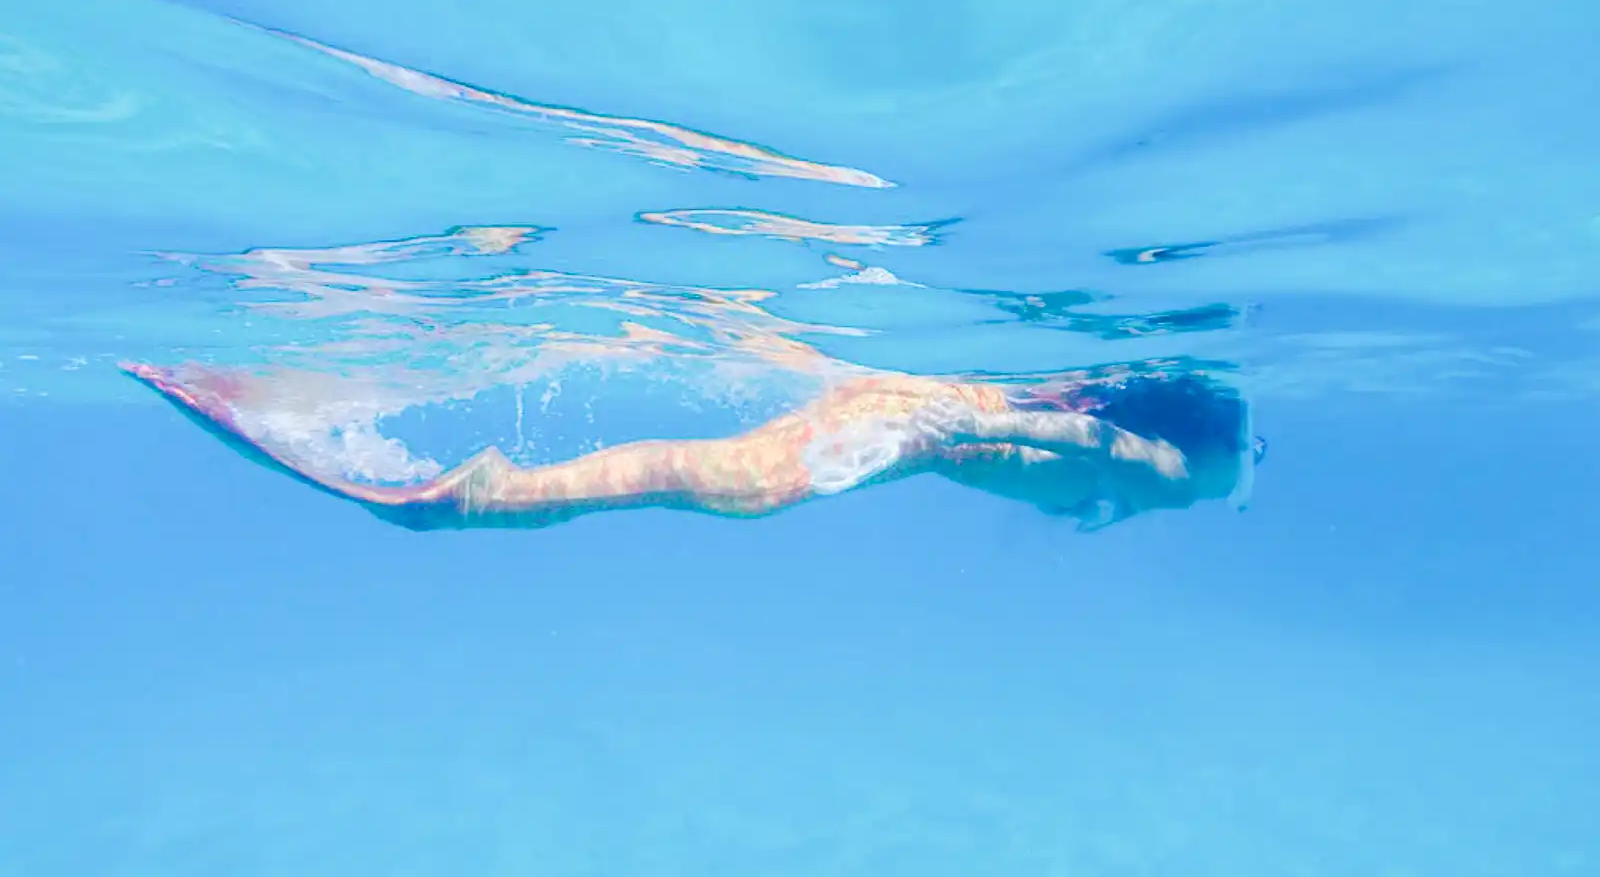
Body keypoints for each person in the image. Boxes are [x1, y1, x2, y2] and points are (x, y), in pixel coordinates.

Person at [122, 361, 1259, 532]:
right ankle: (475, 499)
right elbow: (1094, 448)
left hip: (921, 416)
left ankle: (479, 497)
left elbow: (1086, 447)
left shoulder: (1184, 465)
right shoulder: (1183, 469)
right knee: (736, 484)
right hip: (921, 418)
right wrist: (978, 422)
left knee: (731, 484)